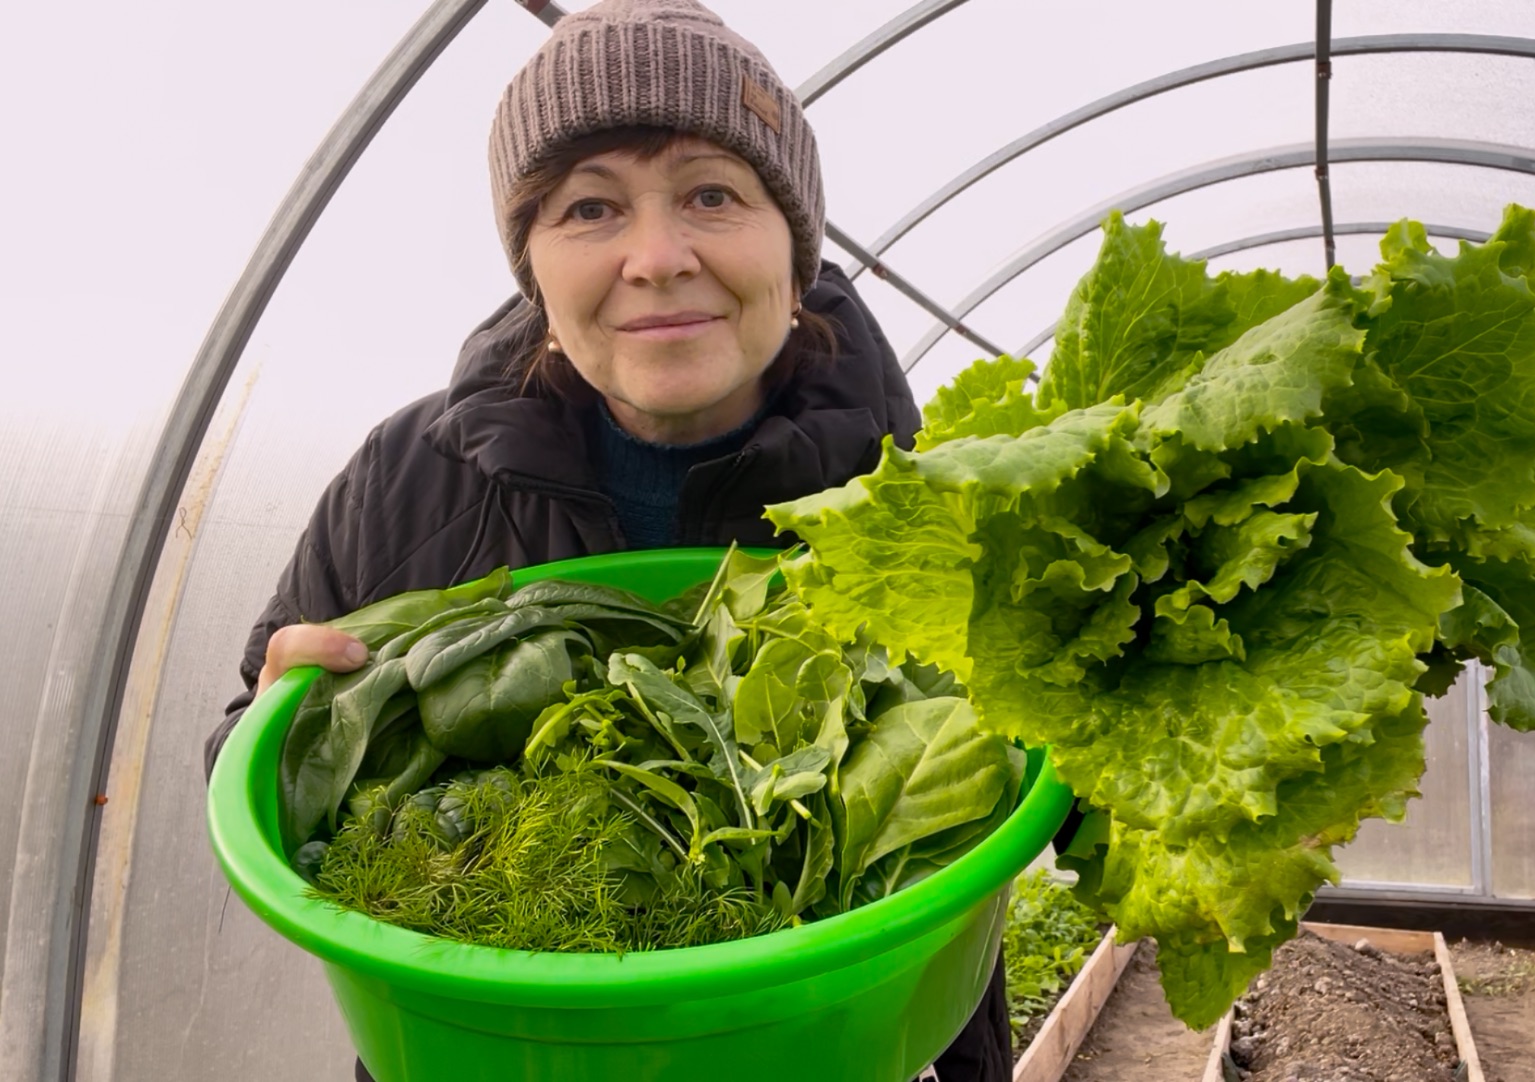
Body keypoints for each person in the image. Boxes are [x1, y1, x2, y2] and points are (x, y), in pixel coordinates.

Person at [203, 2, 1010, 1078]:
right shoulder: (403, 483)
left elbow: (1025, 788)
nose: (656, 256)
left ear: (794, 238)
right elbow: (243, 758)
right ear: (532, 264)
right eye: (590, 207)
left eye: (711, 193)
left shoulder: (927, 493)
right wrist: (291, 722)